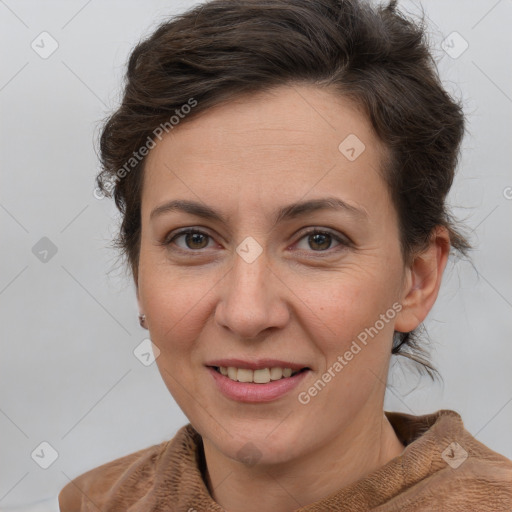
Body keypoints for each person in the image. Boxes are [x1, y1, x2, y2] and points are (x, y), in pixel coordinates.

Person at [58, 0, 512, 510]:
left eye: (319, 240)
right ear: (138, 269)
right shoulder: (90, 502)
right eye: (194, 239)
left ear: (417, 279)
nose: (247, 313)